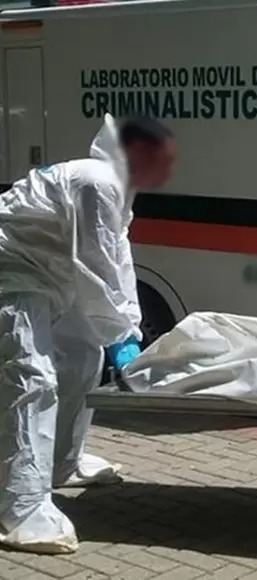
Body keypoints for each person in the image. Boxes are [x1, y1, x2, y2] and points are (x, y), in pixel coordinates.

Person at [0, 114, 175, 554]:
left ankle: (62, 462)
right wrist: (120, 334)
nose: (167, 172)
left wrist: (124, 330)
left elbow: (119, 261)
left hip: (46, 273)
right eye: (161, 160)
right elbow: (96, 268)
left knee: (83, 357)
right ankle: (20, 506)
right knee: (32, 378)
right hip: (13, 275)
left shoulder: (118, 190)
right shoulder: (97, 182)